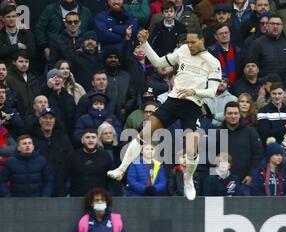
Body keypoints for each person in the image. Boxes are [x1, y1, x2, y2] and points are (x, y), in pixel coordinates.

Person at [107, 29, 222, 201]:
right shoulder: (183, 51)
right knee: (144, 134)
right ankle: (121, 168)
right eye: (187, 42)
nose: (189, 46)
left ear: (202, 40)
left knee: (191, 147)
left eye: (192, 42)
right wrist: (145, 43)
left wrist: (194, 90)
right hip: (173, 101)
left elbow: (212, 91)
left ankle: (188, 179)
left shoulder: (213, 63)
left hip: (193, 105)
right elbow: (158, 62)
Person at [217, 101, 264, 186]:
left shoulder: (251, 132)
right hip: (222, 181)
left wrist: (251, 175)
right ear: (224, 115)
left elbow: (258, 156)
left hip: (245, 181)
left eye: (236, 113)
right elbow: (212, 159)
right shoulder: (217, 133)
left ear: (239, 115)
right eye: (230, 113)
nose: (233, 116)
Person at [29, 107, 73, 197]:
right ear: (40, 120)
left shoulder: (63, 138)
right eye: (45, 118)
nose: (48, 121)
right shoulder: (31, 139)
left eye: (51, 118)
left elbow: (70, 158)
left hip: (60, 184)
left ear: (54, 121)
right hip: (38, 184)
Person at [65, 129, 116, 197]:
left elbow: (114, 178)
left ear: (97, 140)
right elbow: (63, 176)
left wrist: (118, 195)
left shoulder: (105, 156)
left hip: (100, 198)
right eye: (87, 137)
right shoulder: (73, 156)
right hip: (77, 197)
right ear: (82, 140)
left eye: (93, 137)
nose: (91, 140)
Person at [247, 15, 286, 80]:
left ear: (282, 26)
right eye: (272, 24)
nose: (275, 26)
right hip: (263, 85)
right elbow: (251, 67)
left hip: (284, 86)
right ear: (267, 26)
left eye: (278, 24)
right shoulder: (257, 44)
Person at [6, 50, 39, 116]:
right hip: (17, 117)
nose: (24, 64)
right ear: (14, 62)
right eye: (21, 61)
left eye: (26, 61)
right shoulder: (8, 79)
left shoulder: (33, 78)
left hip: (33, 116)